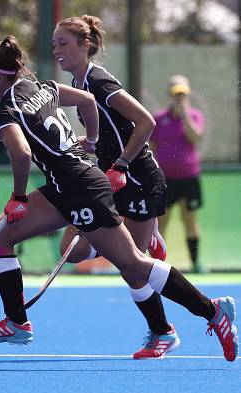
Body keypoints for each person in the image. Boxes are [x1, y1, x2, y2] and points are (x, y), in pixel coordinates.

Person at [0, 36, 238, 362]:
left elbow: (22, 153)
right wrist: (91, 140)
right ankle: (16, 322)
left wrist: (19, 196)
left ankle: (213, 312)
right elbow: (86, 101)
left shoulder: (7, 110)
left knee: (134, 265)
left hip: (80, 188)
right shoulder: (43, 86)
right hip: (65, 185)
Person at [51, 15, 174, 358]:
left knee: (132, 268)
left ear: (84, 46)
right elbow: (106, 135)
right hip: (111, 181)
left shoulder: (100, 83)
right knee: (72, 249)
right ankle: (142, 236)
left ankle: (162, 333)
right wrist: (79, 143)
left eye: (64, 43)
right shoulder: (81, 86)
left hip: (137, 181)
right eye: (54, 44)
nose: (57, 50)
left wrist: (120, 165)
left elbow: (145, 122)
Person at [150, 75, 206, 273]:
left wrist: (185, 115)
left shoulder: (195, 116)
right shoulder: (159, 118)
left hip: (189, 177)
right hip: (165, 178)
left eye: (182, 94)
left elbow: (196, 137)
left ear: (187, 94)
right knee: (161, 220)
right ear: (170, 94)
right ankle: (158, 265)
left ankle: (195, 263)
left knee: (190, 219)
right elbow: (152, 146)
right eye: (176, 94)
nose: (179, 97)